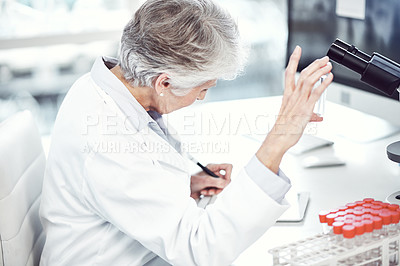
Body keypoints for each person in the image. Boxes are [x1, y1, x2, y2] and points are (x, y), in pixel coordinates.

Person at [39, 0, 333, 265]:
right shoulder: (103, 138)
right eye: (203, 88)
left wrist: (185, 183)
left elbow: (129, 183)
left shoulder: (109, 88)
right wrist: (277, 141)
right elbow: (199, 250)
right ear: (163, 83)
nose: (202, 97)